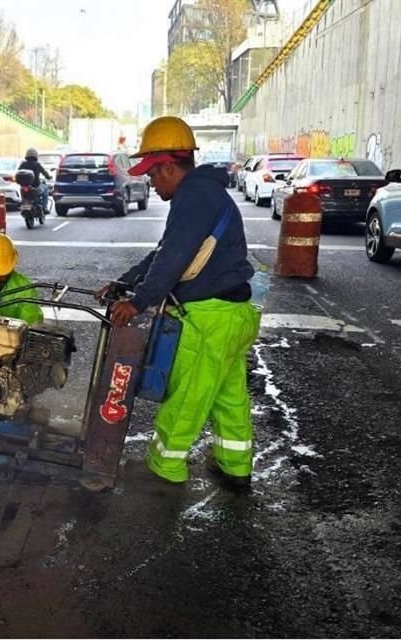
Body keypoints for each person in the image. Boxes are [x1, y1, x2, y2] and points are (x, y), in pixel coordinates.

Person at [97, 116, 260, 489]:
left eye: (153, 175)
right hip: (233, 316)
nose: (151, 184)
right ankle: (235, 466)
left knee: (186, 397)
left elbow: (173, 258)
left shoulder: (194, 196)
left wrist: (137, 302)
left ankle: (164, 468)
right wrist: (125, 282)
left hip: (210, 318)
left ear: (169, 166)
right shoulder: (205, 193)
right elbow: (165, 252)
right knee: (227, 397)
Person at [17, 148, 52, 213]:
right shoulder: (37, 164)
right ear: (36, 156)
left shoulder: (23, 164)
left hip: (24, 186)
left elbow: (18, 172)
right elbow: (45, 173)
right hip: (36, 186)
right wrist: (49, 177)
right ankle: (44, 208)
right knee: (46, 189)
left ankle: (25, 206)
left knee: (23, 196)